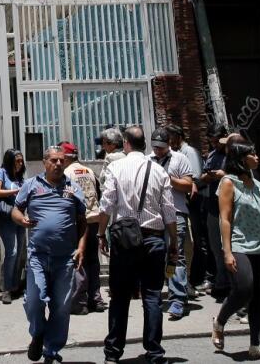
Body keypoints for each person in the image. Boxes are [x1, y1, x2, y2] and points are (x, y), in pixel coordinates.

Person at [98, 125, 179, 364]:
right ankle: (154, 352)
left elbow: (106, 205)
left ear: (125, 143)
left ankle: (113, 353)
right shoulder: (158, 171)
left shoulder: (115, 167)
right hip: (153, 238)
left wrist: (101, 234)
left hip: (124, 240)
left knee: (120, 297)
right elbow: (169, 211)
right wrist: (174, 240)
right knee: (152, 296)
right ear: (145, 143)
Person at [13, 146, 88, 364]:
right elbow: (15, 210)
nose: (58, 164)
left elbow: (83, 221)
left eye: (61, 160)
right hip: (37, 256)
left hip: (65, 259)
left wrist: (81, 248)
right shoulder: (31, 185)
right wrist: (21, 219)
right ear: (45, 162)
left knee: (61, 307)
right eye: (53, 160)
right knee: (34, 302)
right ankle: (37, 333)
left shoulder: (73, 188)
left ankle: (51, 350)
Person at [211, 142, 260, 361]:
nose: (257, 156)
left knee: (259, 297)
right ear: (241, 158)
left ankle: (255, 345)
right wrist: (227, 251)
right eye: (252, 153)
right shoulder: (228, 183)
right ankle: (220, 321)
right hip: (239, 245)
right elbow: (225, 218)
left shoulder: (257, 185)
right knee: (244, 289)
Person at [151, 128, 195, 320]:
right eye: (155, 147)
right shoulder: (147, 160)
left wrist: (168, 179)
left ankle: (178, 299)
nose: (158, 151)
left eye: (161, 147)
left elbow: (188, 185)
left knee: (175, 254)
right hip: (153, 214)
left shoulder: (179, 159)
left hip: (176, 212)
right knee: (155, 254)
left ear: (169, 144)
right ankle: (158, 294)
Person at [61, 141, 105, 314]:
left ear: (65, 158)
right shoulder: (89, 171)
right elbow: (99, 193)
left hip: (78, 222)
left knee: (78, 259)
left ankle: (80, 302)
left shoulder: (66, 173)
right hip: (94, 219)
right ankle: (96, 299)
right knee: (93, 260)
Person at [169, 124, 209, 292]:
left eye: (171, 138)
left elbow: (194, 181)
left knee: (191, 245)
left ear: (178, 136)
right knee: (178, 249)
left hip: (191, 205)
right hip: (178, 208)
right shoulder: (173, 155)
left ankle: (193, 280)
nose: (169, 143)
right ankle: (178, 284)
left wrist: (177, 182)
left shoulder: (188, 153)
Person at [0, 149, 27, 304]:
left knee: (20, 251)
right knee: (11, 251)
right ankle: (6, 288)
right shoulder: (1, 172)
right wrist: (17, 190)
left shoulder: (20, 177)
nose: (20, 164)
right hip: (6, 217)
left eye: (21, 161)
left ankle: (15, 285)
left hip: (19, 216)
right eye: (17, 161)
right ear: (9, 161)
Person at [200, 129, 232, 300]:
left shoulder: (233, 154)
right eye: (212, 141)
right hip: (213, 204)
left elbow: (241, 176)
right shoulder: (212, 155)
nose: (214, 145)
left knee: (230, 246)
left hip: (230, 206)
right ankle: (222, 282)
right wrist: (208, 176)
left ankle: (233, 285)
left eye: (216, 141)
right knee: (215, 246)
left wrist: (223, 175)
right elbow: (203, 175)